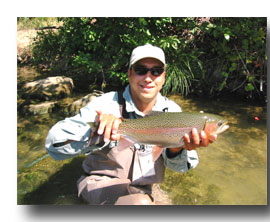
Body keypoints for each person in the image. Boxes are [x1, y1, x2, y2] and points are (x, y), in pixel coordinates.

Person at [45, 44, 217, 205]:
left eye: (156, 71)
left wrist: (176, 148)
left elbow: (182, 169)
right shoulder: (106, 104)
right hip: (99, 183)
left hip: (146, 188)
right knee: (140, 204)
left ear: (163, 77)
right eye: (141, 70)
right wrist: (97, 131)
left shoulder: (172, 110)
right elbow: (54, 145)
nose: (148, 78)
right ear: (130, 74)